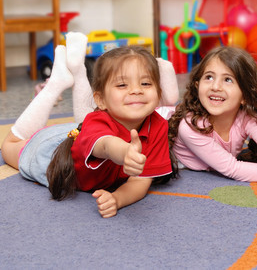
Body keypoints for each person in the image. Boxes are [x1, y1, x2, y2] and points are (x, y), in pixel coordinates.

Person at [1, 34, 176, 218]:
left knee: (81, 125)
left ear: (158, 92)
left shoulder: (158, 125)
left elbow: (140, 182)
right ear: (100, 100)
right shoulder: (97, 121)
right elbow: (106, 145)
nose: (136, 90)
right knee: (8, 146)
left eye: (146, 83)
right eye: (122, 84)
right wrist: (125, 153)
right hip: (52, 155)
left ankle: (75, 73)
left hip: (77, 133)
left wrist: (117, 199)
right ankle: (55, 84)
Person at [168, 46, 257, 182]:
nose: (216, 86)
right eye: (209, 77)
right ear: (197, 85)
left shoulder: (244, 115)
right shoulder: (190, 125)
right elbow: (232, 168)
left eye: (227, 79)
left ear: (245, 95)